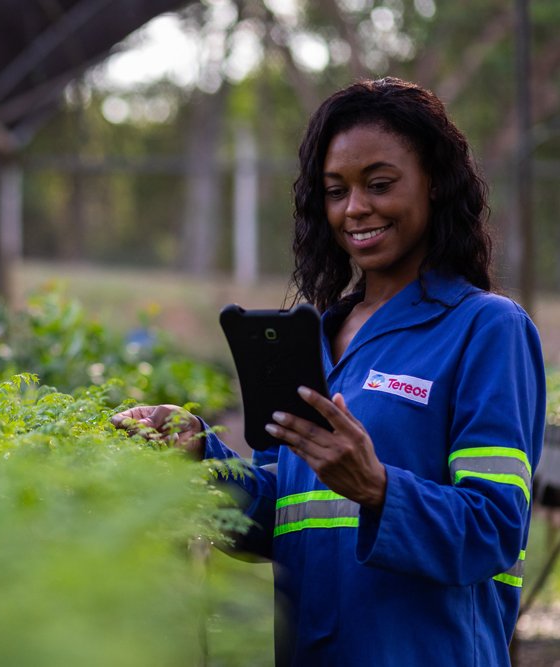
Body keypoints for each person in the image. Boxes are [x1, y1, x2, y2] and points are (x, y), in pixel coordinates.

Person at [113, 77, 545, 666]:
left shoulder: (485, 329)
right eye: (335, 190)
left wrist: (378, 487)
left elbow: (495, 529)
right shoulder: (310, 343)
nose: (355, 208)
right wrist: (200, 457)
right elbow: (278, 521)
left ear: (436, 183)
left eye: (380, 184)